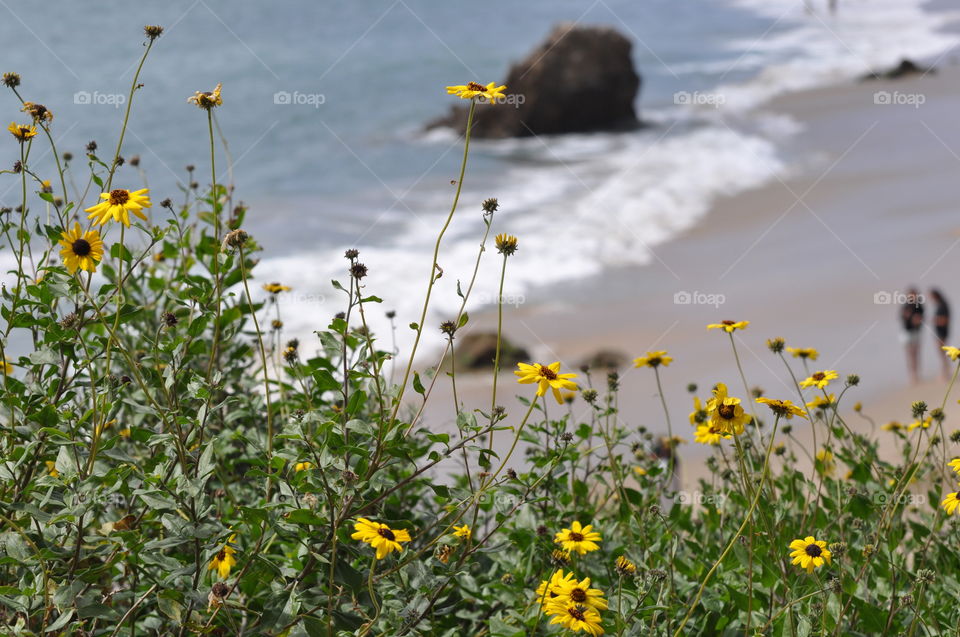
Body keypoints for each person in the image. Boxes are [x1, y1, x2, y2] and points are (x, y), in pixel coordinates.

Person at [900, 287, 924, 384]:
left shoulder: (919, 306)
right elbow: (902, 317)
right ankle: (911, 374)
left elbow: (921, 318)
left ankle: (917, 374)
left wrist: (916, 319)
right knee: (909, 354)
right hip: (906, 332)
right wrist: (907, 316)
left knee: (916, 353)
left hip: (916, 332)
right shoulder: (905, 305)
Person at [930, 288, 951, 380]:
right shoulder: (939, 305)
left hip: (942, 333)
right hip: (939, 333)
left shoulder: (943, 305)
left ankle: (946, 372)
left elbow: (945, 320)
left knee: (943, 353)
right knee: (941, 353)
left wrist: (935, 320)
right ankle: (945, 371)